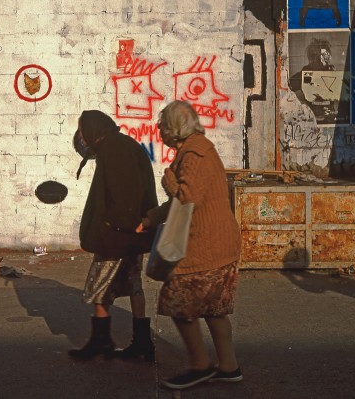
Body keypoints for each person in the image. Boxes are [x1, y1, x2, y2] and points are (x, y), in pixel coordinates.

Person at [137, 101, 242, 390]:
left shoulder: (193, 154)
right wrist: (151, 219)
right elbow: (183, 201)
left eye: (162, 124)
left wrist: (167, 179)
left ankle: (200, 365)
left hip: (205, 246)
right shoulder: (200, 148)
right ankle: (229, 367)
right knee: (214, 308)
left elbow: (185, 198)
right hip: (222, 243)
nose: (158, 128)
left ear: (174, 128)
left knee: (178, 303)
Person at [68, 110, 158, 361]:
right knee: (133, 284)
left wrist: (111, 224)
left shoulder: (113, 149)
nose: (82, 136)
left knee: (99, 285)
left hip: (117, 236)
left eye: (83, 130)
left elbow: (123, 194)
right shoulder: (123, 144)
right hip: (133, 234)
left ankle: (101, 341)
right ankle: (142, 343)